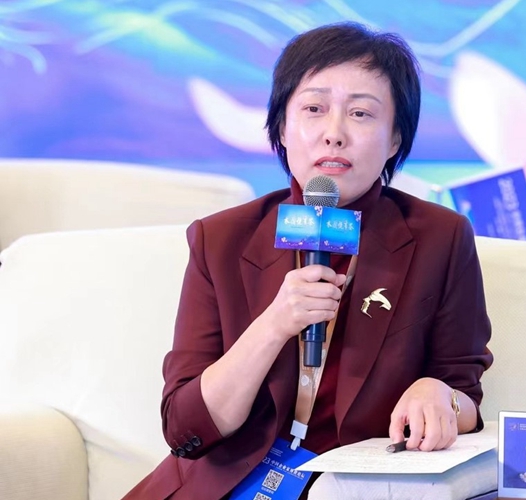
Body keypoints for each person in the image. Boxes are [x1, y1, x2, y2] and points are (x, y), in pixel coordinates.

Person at [125, 22, 493, 499]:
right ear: (281, 127)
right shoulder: (220, 239)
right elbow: (184, 428)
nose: (334, 134)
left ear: (395, 139)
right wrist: (274, 324)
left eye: (361, 113)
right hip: (223, 485)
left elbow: (464, 392)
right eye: (314, 109)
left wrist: (440, 393)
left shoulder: (440, 238)